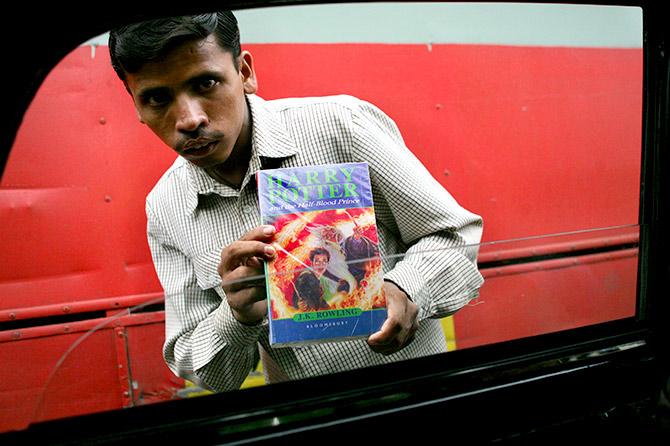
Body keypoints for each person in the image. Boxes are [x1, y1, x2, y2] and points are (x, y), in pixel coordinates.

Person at [108, 11, 484, 392]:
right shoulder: (166, 207)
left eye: (206, 83)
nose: (189, 119)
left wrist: (407, 286)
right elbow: (206, 372)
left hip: (421, 397)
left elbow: (455, 235)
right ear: (137, 108)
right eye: (157, 98)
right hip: (302, 417)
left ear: (245, 73)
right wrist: (236, 316)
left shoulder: (341, 126)